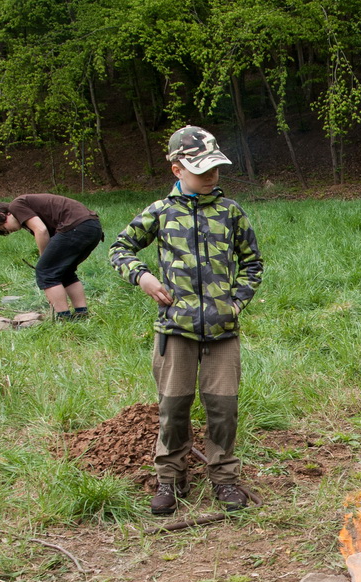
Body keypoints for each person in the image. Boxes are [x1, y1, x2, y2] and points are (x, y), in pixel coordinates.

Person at [110, 126, 263, 516]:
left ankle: (224, 478)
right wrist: (143, 277)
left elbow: (253, 264)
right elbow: (120, 248)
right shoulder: (160, 212)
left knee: (223, 409)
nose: (211, 176)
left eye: (215, 168)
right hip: (175, 331)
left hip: (222, 332)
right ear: (177, 170)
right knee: (173, 407)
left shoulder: (231, 212)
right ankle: (170, 477)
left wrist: (235, 303)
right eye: (201, 170)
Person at [0, 194, 104, 319]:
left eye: (4, 228)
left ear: (4, 215)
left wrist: (44, 261)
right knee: (65, 272)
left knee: (46, 272)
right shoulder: (29, 212)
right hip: (92, 227)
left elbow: (41, 230)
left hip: (76, 226)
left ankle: (64, 318)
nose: (9, 232)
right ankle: (81, 313)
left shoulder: (15, 206)